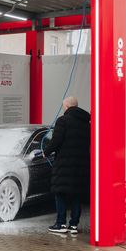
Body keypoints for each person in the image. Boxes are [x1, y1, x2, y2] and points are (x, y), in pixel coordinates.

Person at [42, 96, 90, 235]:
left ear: (67, 106)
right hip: (81, 164)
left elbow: (56, 140)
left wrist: (46, 152)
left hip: (64, 164)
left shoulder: (63, 121)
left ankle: (60, 223)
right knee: (77, 195)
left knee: (60, 193)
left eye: (63, 106)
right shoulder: (86, 123)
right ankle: (73, 225)